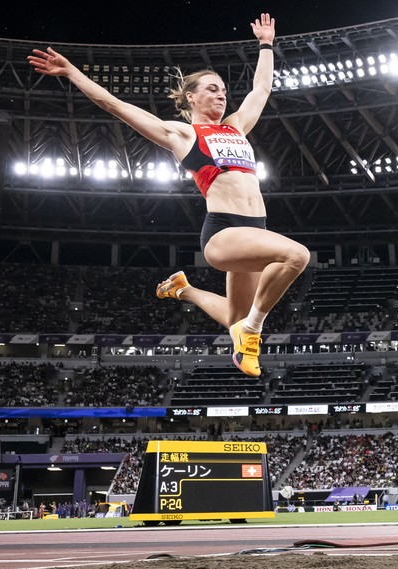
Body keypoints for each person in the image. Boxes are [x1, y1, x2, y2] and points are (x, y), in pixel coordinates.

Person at [28, 13, 310, 378]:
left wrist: (266, 45)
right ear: (190, 97)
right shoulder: (182, 134)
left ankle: (184, 290)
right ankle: (251, 332)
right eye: (212, 88)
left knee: (232, 316)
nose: (221, 93)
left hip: (254, 230)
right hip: (224, 232)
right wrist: (72, 73)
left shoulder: (237, 126)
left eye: (223, 89)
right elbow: (116, 106)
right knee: (296, 255)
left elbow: (261, 90)